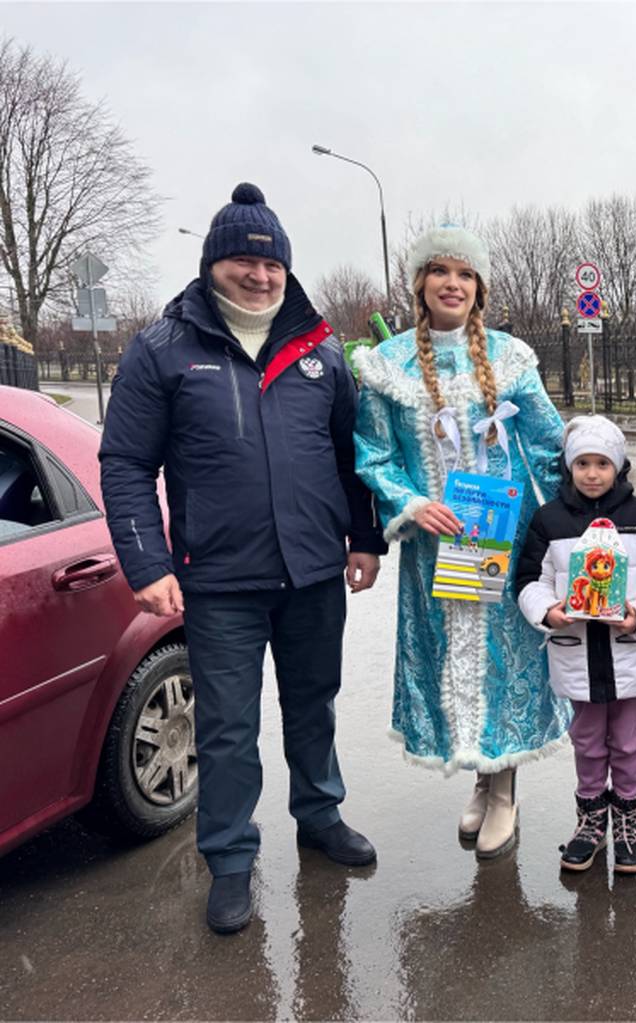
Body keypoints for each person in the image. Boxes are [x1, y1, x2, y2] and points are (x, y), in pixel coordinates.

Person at [99, 183, 386, 935]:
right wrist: (146, 563)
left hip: (315, 571)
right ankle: (229, 859)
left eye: (272, 266)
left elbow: (352, 454)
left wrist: (364, 538)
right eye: (242, 262)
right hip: (219, 579)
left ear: (287, 272)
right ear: (211, 265)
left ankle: (320, 816)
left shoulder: (320, 350)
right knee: (226, 727)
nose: (260, 277)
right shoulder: (164, 348)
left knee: (313, 704)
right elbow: (126, 460)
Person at [352, 224, 570, 859]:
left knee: (502, 661)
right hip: (434, 546)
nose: (453, 283)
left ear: (479, 289)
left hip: (502, 537)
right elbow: (374, 453)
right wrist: (413, 504)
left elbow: (549, 441)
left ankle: (504, 789)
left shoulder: (509, 358)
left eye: (465, 274)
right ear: (421, 283)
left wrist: (574, 520)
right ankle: (481, 776)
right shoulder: (388, 366)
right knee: (453, 660)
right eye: (441, 271)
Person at [516, 415, 636, 874]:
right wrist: (548, 611)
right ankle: (590, 820)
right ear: (569, 467)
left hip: (630, 657)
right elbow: (529, 581)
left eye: (603, 464)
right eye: (583, 463)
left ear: (619, 467)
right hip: (576, 657)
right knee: (588, 741)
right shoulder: (548, 520)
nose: (592, 473)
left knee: (629, 743)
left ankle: (629, 821)